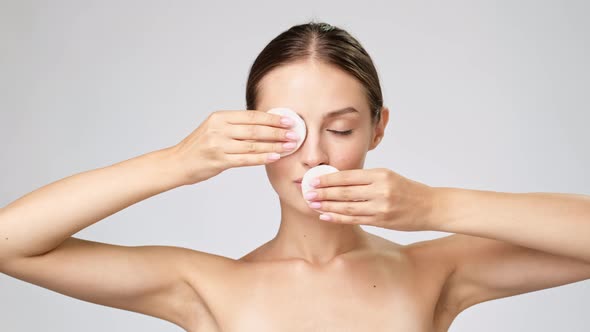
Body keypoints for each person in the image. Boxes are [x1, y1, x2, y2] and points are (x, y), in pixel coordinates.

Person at [1, 21, 589, 332]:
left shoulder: (431, 272)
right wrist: (179, 160)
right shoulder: (209, 288)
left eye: (340, 127)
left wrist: (433, 206)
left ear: (377, 129)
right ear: (248, 134)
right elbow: (10, 243)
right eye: (286, 130)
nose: (314, 157)